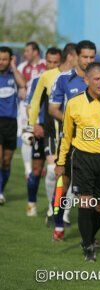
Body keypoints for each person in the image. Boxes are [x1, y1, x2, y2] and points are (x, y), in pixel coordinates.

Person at [55, 62, 100, 261]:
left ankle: (90, 236)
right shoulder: (74, 103)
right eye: (96, 79)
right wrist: (60, 162)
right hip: (82, 158)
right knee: (85, 202)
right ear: (86, 80)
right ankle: (88, 248)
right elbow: (66, 136)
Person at [49, 40, 100, 238]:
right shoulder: (63, 79)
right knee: (63, 184)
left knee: (92, 192)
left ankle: (89, 234)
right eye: (85, 57)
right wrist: (73, 121)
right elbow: (53, 108)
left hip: (93, 143)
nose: (88, 60)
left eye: (92, 57)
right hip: (69, 142)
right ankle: (59, 225)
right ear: (76, 57)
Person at [27, 43, 76, 230]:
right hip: (52, 132)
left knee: (70, 176)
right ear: (71, 56)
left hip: (73, 135)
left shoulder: (79, 79)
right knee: (51, 171)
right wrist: (31, 127)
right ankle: (51, 207)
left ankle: (64, 213)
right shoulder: (47, 77)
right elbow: (35, 101)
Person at [24, 47, 62, 217]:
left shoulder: (63, 81)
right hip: (40, 129)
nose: (52, 65)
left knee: (55, 170)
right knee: (37, 170)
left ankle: (53, 206)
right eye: (49, 62)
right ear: (44, 61)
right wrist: (35, 125)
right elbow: (31, 105)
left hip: (56, 132)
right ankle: (31, 203)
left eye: (56, 62)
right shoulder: (38, 80)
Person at [0, 46, 26, 205]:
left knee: (7, 161)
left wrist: (14, 67)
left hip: (10, 123)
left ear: (10, 60)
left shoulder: (13, 76)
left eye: (4, 59)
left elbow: (23, 84)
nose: (1, 62)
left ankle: (1, 190)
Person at [18, 42, 47, 178]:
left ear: (35, 52)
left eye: (27, 51)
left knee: (44, 136)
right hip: (27, 106)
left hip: (43, 106)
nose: (25, 54)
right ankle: (28, 170)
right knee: (27, 136)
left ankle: (43, 166)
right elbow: (19, 82)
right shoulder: (22, 67)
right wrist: (21, 88)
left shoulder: (46, 64)